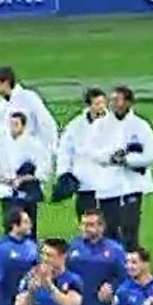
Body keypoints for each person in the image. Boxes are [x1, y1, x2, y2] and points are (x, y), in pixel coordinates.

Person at [88, 86, 153, 249]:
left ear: (128, 102)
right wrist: (111, 157)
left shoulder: (141, 126)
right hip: (108, 185)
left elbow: (152, 153)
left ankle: (131, 264)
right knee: (109, 228)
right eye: (112, 100)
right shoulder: (101, 125)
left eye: (118, 100)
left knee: (130, 227)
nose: (113, 104)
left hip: (132, 185)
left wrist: (128, 160)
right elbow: (92, 151)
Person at [0, 111, 51, 238]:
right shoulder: (1, 145)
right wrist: (3, 179)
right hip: (7, 191)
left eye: (16, 124)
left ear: (23, 126)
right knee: (10, 225)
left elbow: (43, 169)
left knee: (29, 225)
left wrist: (23, 179)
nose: (13, 127)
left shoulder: (34, 144)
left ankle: (30, 252)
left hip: (27, 192)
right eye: (11, 124)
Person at [56, 88, 107, 218]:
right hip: (84, 181)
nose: (101, 107)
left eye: (102, 103)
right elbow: (65, 150)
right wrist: (64, 173)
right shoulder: (75, 126)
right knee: (86, 219)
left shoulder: (114, 123)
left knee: (109, 221)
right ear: (89, 105)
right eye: (97, 104)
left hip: (109, 183)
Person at [0, 65, 58, 162]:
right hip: (7, 161)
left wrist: (50, 150)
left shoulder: (28, 98)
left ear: (6, 83)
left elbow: (46, 123)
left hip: (30, 156)